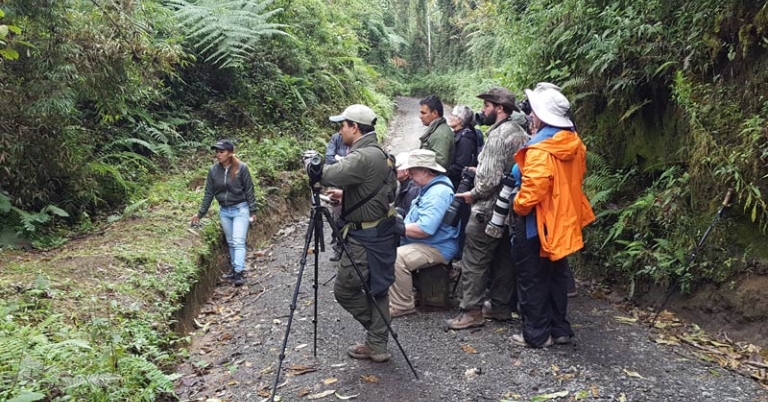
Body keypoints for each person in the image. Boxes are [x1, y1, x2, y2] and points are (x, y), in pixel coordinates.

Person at [510, 83, 595, 348]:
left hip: (538, 223)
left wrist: (518, 206)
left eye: (534, 111)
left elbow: (533, 190)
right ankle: (559, 329)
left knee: (532, 277)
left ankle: (537, 334)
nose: (531, 115)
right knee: (557, 275)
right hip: (564, 220)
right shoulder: (574, 143)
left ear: (542, 116)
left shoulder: (541, 149)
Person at [316, 104, 399, 363]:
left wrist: (311, 165)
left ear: (354, 127)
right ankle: (377, 343)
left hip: (364, 238)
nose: (340, 131)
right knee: (378, 287)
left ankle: (379, 332)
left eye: (342, 126)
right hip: (381, 230)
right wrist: (348, 195)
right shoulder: (381, 152)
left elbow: (327, 175)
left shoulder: (361, 157)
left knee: (345, 290)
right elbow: (383, 191)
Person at [446, 86, 530, 330]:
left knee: (474, 259)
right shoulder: (521, 133)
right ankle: (501, 307)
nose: (483, 110)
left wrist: (472, 194)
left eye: (487, 106)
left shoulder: (497, 136)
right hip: (509, 209)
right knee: (504, 258)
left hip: (487, 210)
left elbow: (489, 180)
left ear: (500, 109)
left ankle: (471, 311)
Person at [388, 150, 459, 318]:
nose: (410, 174)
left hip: (437, 246)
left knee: (397, 257)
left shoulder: (438, 193)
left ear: (426, 171)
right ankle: (405, 292)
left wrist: (399, 228)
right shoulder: (429, 188)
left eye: (413, 171)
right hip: (429, 243)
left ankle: (402, 305)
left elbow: (425, 229)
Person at [192, 139, 257, 287]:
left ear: (230, 153)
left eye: (222, 151)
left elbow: (249, 190)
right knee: (231, 242)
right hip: (224, 210)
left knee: (238, 241)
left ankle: (239, 272)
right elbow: (209, 194)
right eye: (217, 151)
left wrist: (253, 210)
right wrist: (200, 214)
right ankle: (234, 269)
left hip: (240, 209)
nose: (218, 154)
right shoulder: (213, 170)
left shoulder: (241, 168)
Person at [325, 132, 350, 261]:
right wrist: (346, 161)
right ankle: (338, 248)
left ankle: (351, 247)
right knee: (336, 218)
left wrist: (340, 159)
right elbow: (329, 158)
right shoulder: (336, 138)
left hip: (352, 185)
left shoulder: (360, 141)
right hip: (337, 184)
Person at [446, 105, 480, 189]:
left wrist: (442, 171)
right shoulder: (458, 134)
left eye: (453, 115)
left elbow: (460, 166)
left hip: (456, 184)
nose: (450, 117)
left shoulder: (465, 139)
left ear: (460, 120)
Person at [418, 95, 454, 172]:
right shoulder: (436, 129)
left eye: (423, 113)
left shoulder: (441, 134)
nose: (420, 116)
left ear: (434, 113)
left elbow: (440, 162)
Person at [393, 152, 420, 218]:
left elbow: (408, 215)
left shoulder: (413, 190)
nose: (393, 170)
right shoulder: (403, 185)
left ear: (406, 171)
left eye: (396, 167)